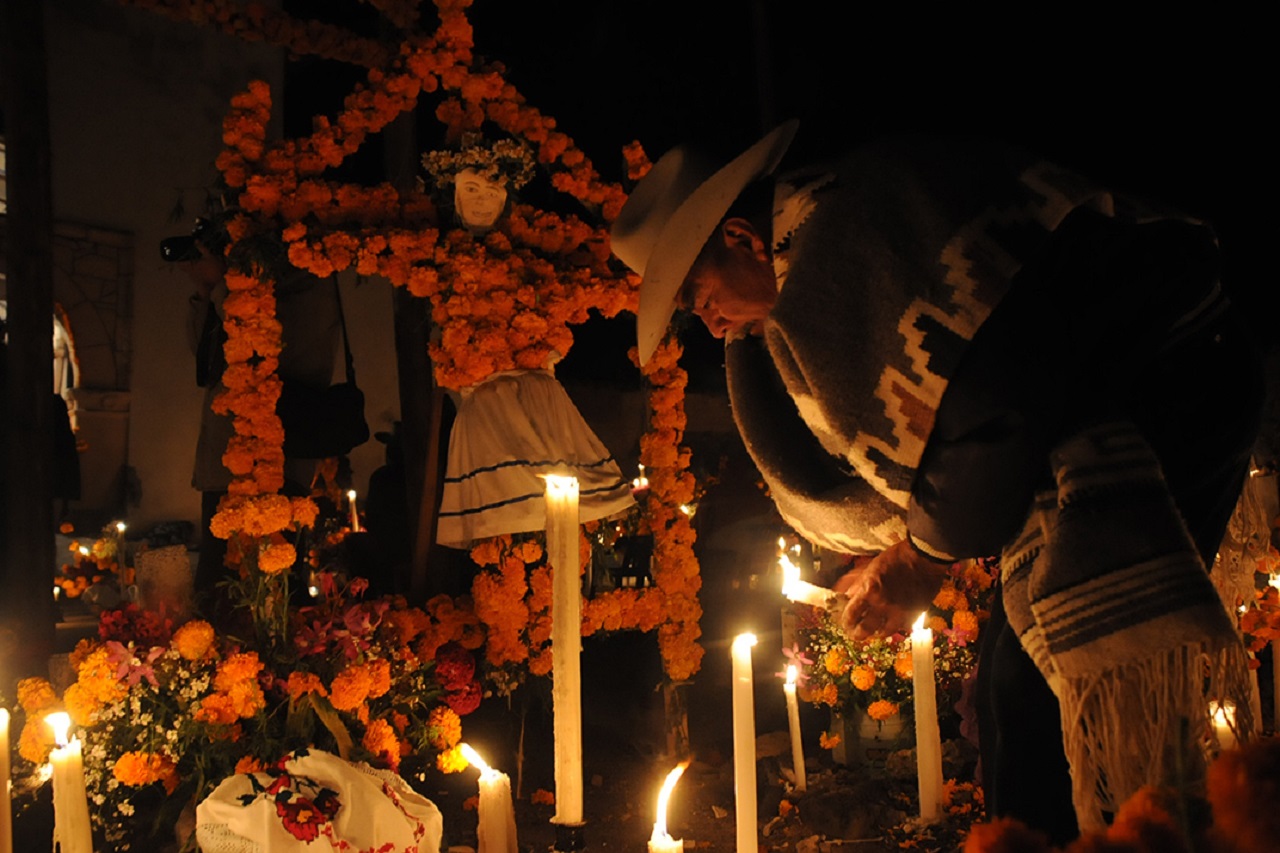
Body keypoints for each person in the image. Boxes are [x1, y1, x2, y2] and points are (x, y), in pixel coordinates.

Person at [610, 122, 1262, 842]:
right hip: (1130, 398)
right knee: (1017, 691)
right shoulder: (830, 231)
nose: (708, 323)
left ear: (741, 236)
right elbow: (941, 416)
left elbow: (990, 404)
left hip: (1173, 388)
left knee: (1062, 680)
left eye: (698, 295)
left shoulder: (848, 245)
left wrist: (922, 554)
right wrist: (905, 533)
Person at [172, 217, 340, 618]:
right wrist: (206, 289)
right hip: (225, 456)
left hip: (276, 454)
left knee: (279, 581)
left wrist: (228, 283)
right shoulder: (231, 291)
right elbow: (207, 363)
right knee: (219, 582)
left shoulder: (306, 281)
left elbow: (276, 349)